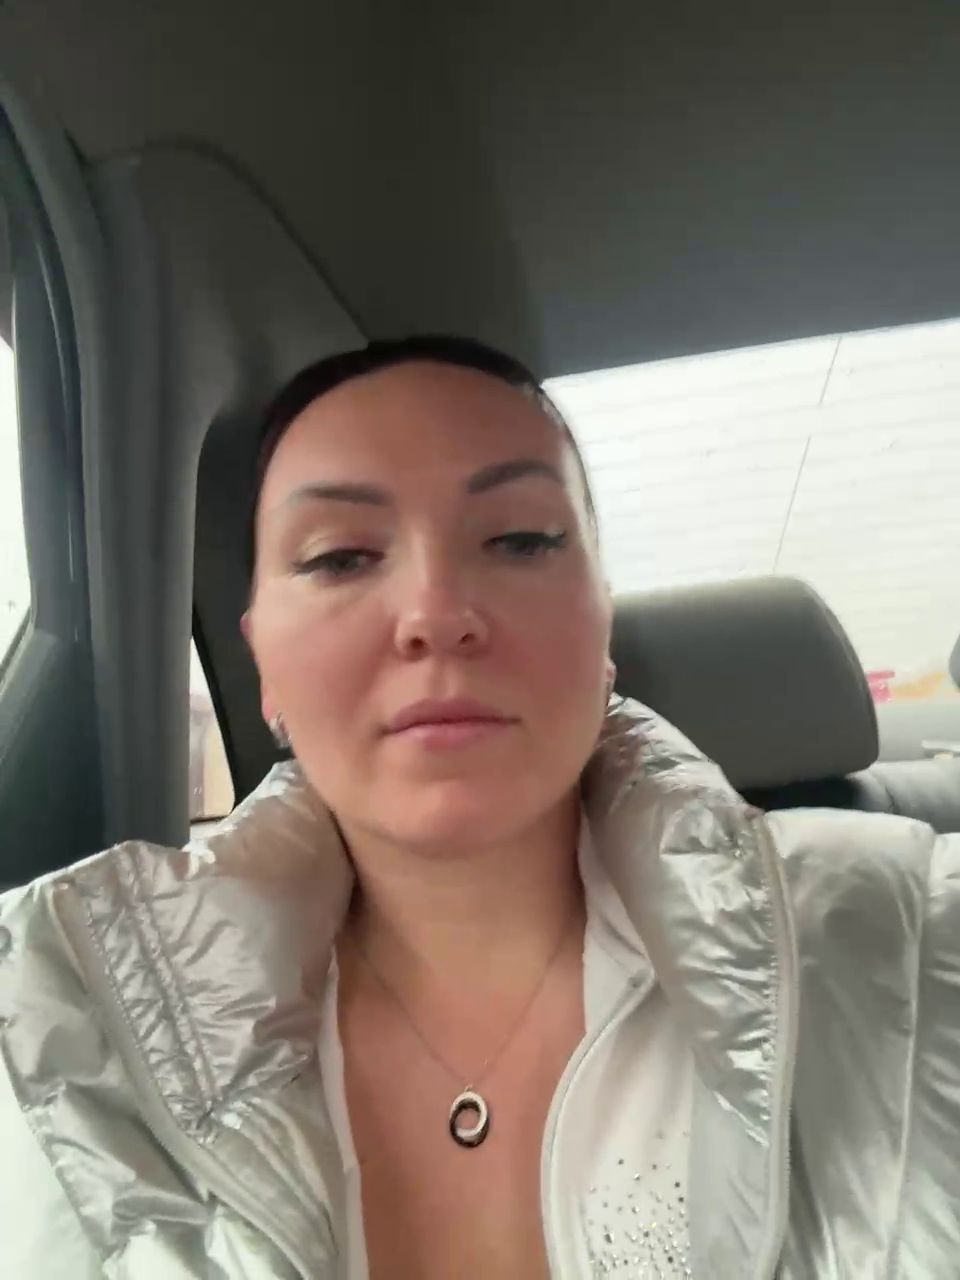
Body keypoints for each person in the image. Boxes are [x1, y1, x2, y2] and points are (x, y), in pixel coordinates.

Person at [1, 335, 958, 1280]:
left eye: (521, 539)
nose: (435, 612)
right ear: (262, 664)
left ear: (603, 631)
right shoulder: (52, 1028)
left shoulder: (906, 946)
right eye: (339, 556)